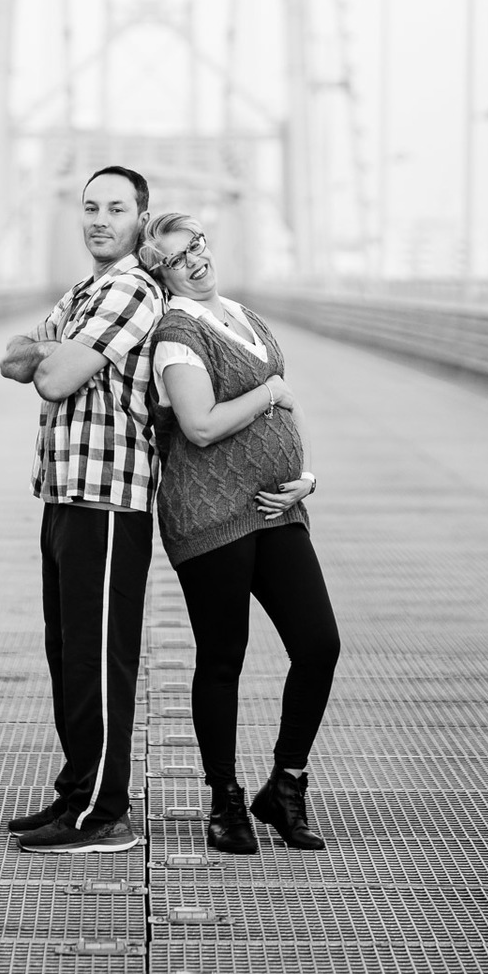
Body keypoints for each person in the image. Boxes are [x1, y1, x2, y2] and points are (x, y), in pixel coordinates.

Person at [139, 210, 340, 855]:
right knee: (222, 658)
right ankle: (225, 804)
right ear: (161, 274)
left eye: (197, 245)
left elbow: (288, 408)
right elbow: (198, 425)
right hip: (210, 514)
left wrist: (306, 477)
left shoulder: (242, 313)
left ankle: (285, 786)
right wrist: (271, 390)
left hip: (277, 509)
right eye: (177, 257)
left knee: (319, 644)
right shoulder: (176, 333)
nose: (196, 260)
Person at [0, 165, 165, 853]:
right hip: (64, 490)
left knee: (99, 659)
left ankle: (105, 813)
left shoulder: (130, 288)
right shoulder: (83, 291)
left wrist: (54, 355)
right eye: (91, 206)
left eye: (116, 208)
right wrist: (50, 355)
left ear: (139, 218)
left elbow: (55, 375)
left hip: (108, 497)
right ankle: (77, 792)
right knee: (68, 654)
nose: (100, 218)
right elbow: (15, 362)